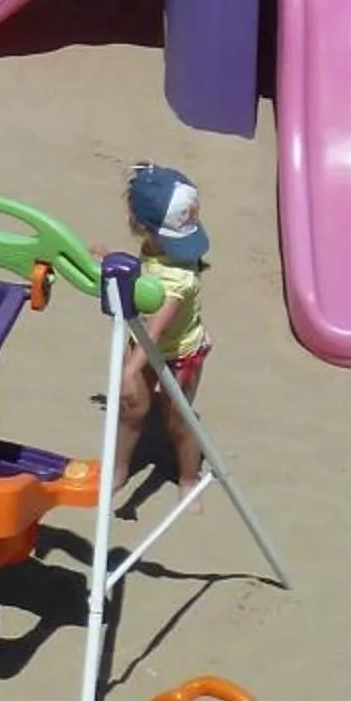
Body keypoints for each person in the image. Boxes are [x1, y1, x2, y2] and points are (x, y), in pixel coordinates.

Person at [115, 161, 212, 493]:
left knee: (178, 422)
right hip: (143, 340)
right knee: (132, 410)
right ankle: (120, 469)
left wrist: (129, 372)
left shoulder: (177, 280)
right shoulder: (154, 251)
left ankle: (187, 477)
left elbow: (156, 333)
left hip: (180, 353)